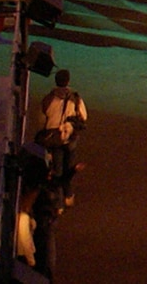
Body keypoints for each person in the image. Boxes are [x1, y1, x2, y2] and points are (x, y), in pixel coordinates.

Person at [36, 70, 87, 207]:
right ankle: (68, 196)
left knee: (57, 170)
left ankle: (57, 202)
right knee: (69, 167)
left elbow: (41, 121)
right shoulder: (75, 98)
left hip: (54, 139)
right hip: (70, 138)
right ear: (68, 81)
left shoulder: (48, 99)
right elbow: (84, 116)